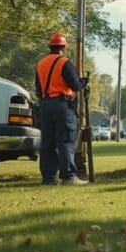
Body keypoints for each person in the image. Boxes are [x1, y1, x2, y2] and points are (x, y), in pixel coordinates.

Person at [35, 33, 87, 185]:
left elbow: (38, 89)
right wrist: (83, 82)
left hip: (46, 105)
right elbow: (75, 86)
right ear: (63, 47)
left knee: (47, 143)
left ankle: (48, 177)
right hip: (63, 105)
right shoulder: (65, 62)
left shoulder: (40, 64)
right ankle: (68, 176)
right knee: (65, 141)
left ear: (50, 46)